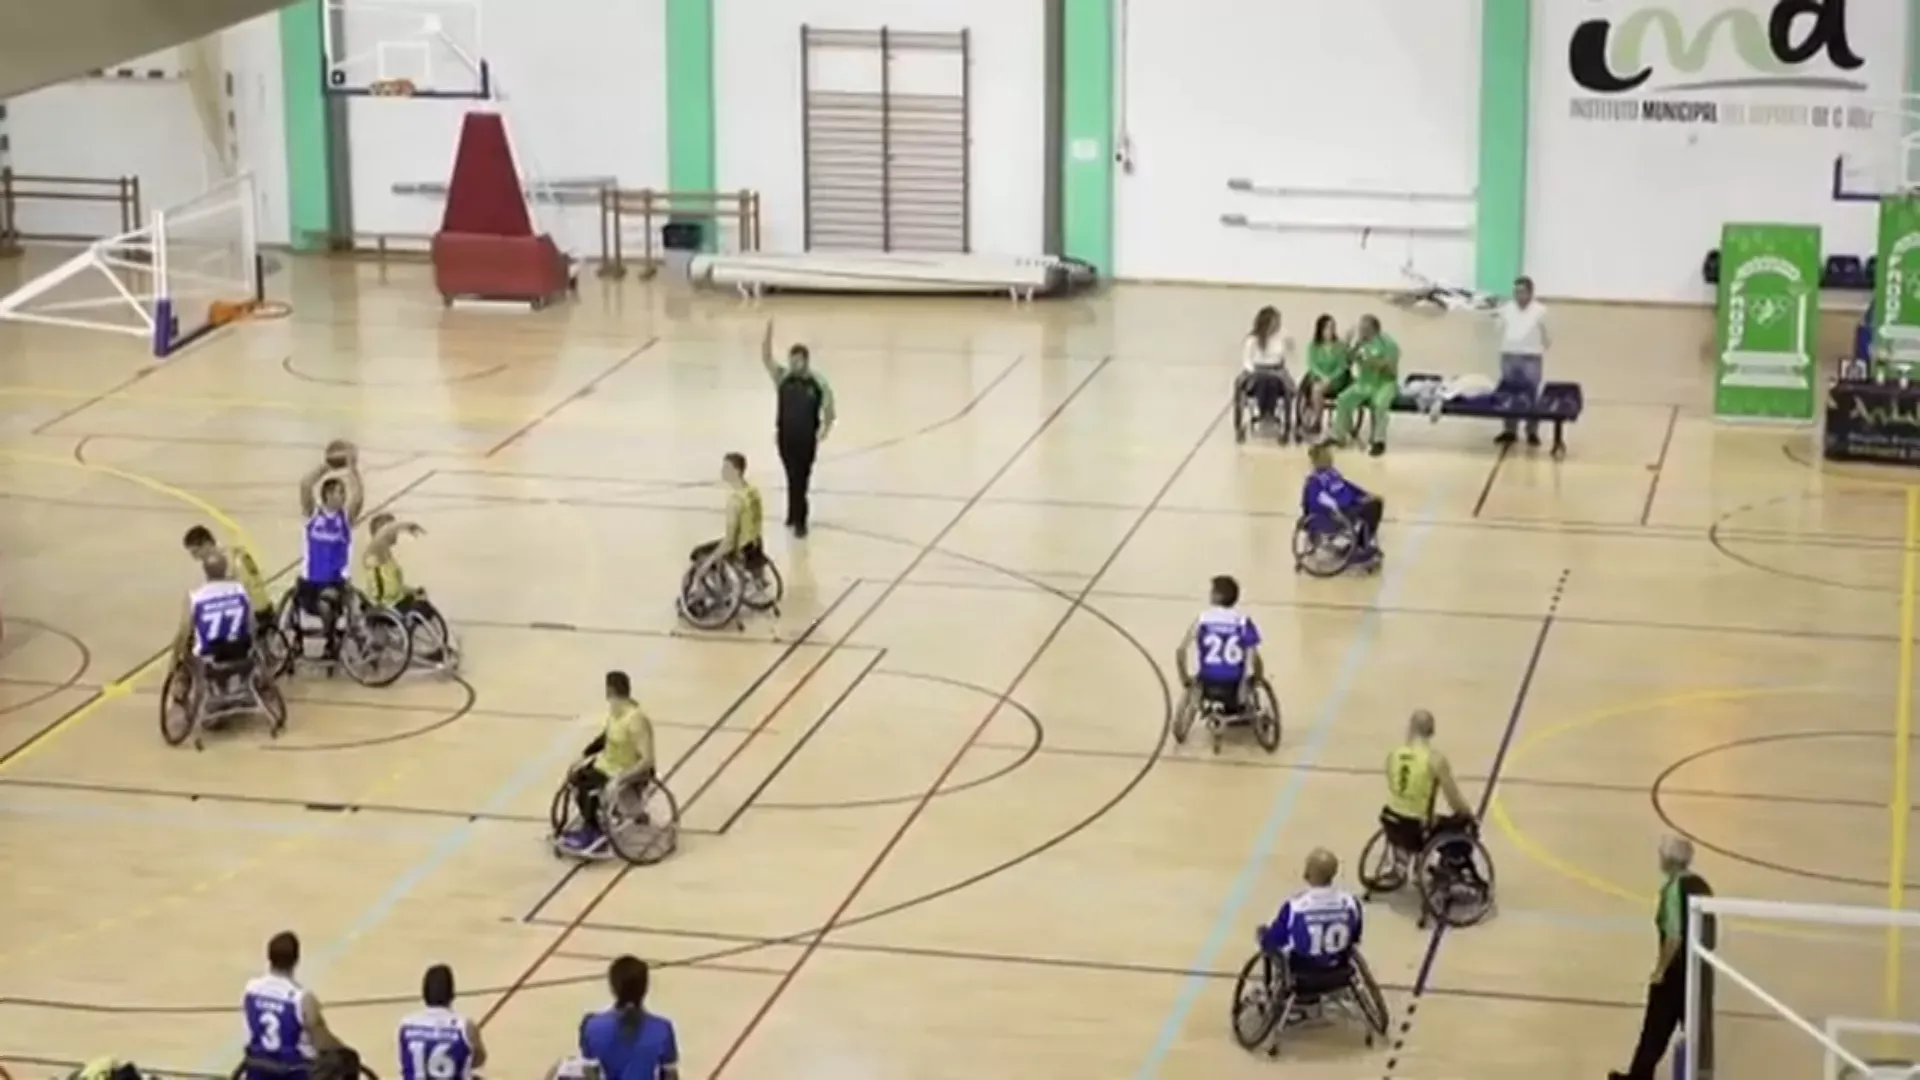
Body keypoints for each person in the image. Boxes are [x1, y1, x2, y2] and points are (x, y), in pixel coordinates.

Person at [1610, 837, 1714, 1080]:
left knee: (1655, 1028)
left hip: (1675, 973)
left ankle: (1639, 1076)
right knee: (1697, 1031)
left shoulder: (1673, 889)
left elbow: (1673, 936)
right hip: (1699, 971)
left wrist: (1660, 970)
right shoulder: (1702, 886)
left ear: (1668, 860)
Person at [559, 671, 658, 857]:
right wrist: (583, 755)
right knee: (577, 779)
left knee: (590, 789)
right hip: (608, 765)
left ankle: (595, 833)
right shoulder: (615, 713)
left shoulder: (635, 720)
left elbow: (647, 760)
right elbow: (605, 738)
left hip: (626, 771)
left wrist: (621, 778)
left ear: (609, 690)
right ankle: (589, 825)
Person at [760, 321, 835, 538]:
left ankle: (800, 520)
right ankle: (793, 514)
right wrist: (767, 336)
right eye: (791, 360)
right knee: (791, 476)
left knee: (800, 478)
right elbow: (766, 359)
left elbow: (829, 408)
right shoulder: (783, 378)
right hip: (785, 437)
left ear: (805, 360)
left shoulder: (817, 383)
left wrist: (825, 430)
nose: (793, 364)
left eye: (797, 361)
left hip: (806, 439)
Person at [294, 443, 365, 660]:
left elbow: (358, 497)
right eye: (338, 492)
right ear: (326, 495)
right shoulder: (313, 515)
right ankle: (322, 638)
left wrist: (352, 469)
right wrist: (327, 465)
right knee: (312, 601)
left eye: (343, 492)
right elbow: (305, 484)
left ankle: (331, 640)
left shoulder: (345, 519)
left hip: (336, 582)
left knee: (328, 602)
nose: (342, 496)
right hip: (309, 581)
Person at [1381, 709, 1475, 869]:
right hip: (1417, 826)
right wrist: (1468, 813)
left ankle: (1402, 858)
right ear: (1432, 731)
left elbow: (1393, 784)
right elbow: (1453, 799)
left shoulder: (1393, 755)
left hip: (1390, 818)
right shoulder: (1435, 759)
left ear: (1409, 728)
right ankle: (1450, 865)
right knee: (1462, 824)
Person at [241, 931, 341, 1080]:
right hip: (294, 1071)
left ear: (269, 957)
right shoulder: (301, 998)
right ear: (296, 959)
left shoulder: (251, 989)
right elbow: (322, 1041)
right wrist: (344, 1050)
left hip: (258, 1068)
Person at [1257, 849, 1363, 979]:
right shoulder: (1351, 903)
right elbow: (1355, 937)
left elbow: (1276, 940)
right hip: (1339, 971)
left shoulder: (1295, 907)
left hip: (1304, 974)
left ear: (1307, 874)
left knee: (1265, 937)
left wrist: (1264, 937)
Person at [363, 513, 448, 665]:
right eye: (393, 530)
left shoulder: (387, 555)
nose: (396, 534)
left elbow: (395, 586)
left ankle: (435, 645)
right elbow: (383, 534)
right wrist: (405, 525)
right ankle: (414, 640)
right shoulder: (374, 553)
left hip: (395, 601)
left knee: (422, 603)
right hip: (385, 606)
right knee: (419, 609)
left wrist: (413, 591)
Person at [577, 955, 679, 1080]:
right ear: (645, 988)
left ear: (613, 988)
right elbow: (670, 1076)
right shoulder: (662, 1029)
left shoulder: (592, 1027)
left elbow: (590, 1075)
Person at [1173, 574, 1263, 714]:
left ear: (1216, 596)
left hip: (1207, 680)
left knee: (1200, 679)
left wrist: (1184, 678)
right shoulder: (1243, 621)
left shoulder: (1203, 619)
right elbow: (1253, 656)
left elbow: (1180, 651)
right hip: (1234, 684)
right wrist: (1257, 677)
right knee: (1250, 666)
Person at [689, 452, 768, 585]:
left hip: (741, 547)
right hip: (755, 543)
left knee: (698, 553)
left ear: (736, 471)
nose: (722, 472)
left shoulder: (735, 501)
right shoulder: (753, 492)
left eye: (726, 468)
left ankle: (705, 589)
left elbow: (729, 542)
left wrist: (709, 562)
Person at [183, 525, 274, 638]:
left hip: (254, 612)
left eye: (195, 552)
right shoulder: (215, 561)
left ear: (207, 544)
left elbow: (249, 591)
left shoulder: (234, 559)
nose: (195, 558)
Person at [397, 964, 485, 1080]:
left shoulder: (406, 1024)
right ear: (451, 994)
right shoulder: (464, 1025)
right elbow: (479, 1060)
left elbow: (405, 1060)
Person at [1491, 275, 1550, 448]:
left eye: (1523, 292)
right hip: (1509, 356)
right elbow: (1497, 329)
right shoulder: (1506, 309)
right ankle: (1510, 430)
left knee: (1531, 395)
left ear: (1531, 293)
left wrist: (1538, 349)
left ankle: (1532, 431)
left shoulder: (1541, 311)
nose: (1519, 296)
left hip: (1531, 358)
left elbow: (1548, 335)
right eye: (1516, 292)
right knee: (1508, 393)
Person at [1302, 441, 1383, 565]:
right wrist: (1349, 504)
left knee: (1376, 503)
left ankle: (1359, 544)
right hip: (1333, 515)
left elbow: (1347, 486)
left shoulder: (1332, 473)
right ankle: (1359, 546)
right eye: (1328, 456)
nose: (1331, 458)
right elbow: (1318, 503)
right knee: (1371, 509)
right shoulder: (1315, 481)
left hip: (1347, 508)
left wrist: (1364, 494)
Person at [174, 552, 255, 674]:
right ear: (225, 568)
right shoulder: (241, 591)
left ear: (205, 571)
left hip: (208, 657)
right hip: (240, 652)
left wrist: (176, 658)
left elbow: (184, 632)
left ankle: (181, 686)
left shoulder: (196, 597)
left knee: (186, 658)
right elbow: (251, 623)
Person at [1332, 315, 1399, 456]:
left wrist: (1372, 362)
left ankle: (1378, 442)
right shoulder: (1360, 343)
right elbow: (1348, 360)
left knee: (1380, 405)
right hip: (1364, 383)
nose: (1361, 331)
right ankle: (1340, 436)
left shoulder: (1388, 344)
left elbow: (1391, 368)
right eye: (1360, 328)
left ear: (1373, 329)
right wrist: (1347, 344)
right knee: (1343, 399)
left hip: (1384, 384)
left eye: (1364, 328)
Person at [1238, 306, 1295, 424]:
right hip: (1258, 371)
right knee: (1263, 381)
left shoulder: (1281, 337)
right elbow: (1247, 360)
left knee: (1274, 382)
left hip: (1276, 369)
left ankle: (1270, 411)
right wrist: (1254, 371)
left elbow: (1288, 354)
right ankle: (1263, 411)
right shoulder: (1253, 339)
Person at [1298, 315, 1350, 438]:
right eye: (1327, 328)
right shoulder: (1314, 346)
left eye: (1332, 327)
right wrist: (1322, 376)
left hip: (1336, 380)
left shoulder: (1340, 346)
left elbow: (1342, 366)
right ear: (1321, 330)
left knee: (1319, 388)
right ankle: (1317, 421)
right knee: (1316, 388)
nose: (1330, 331)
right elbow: (1312, 364)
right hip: (1318, 379)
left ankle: (1320, 422)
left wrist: (1330, 378)